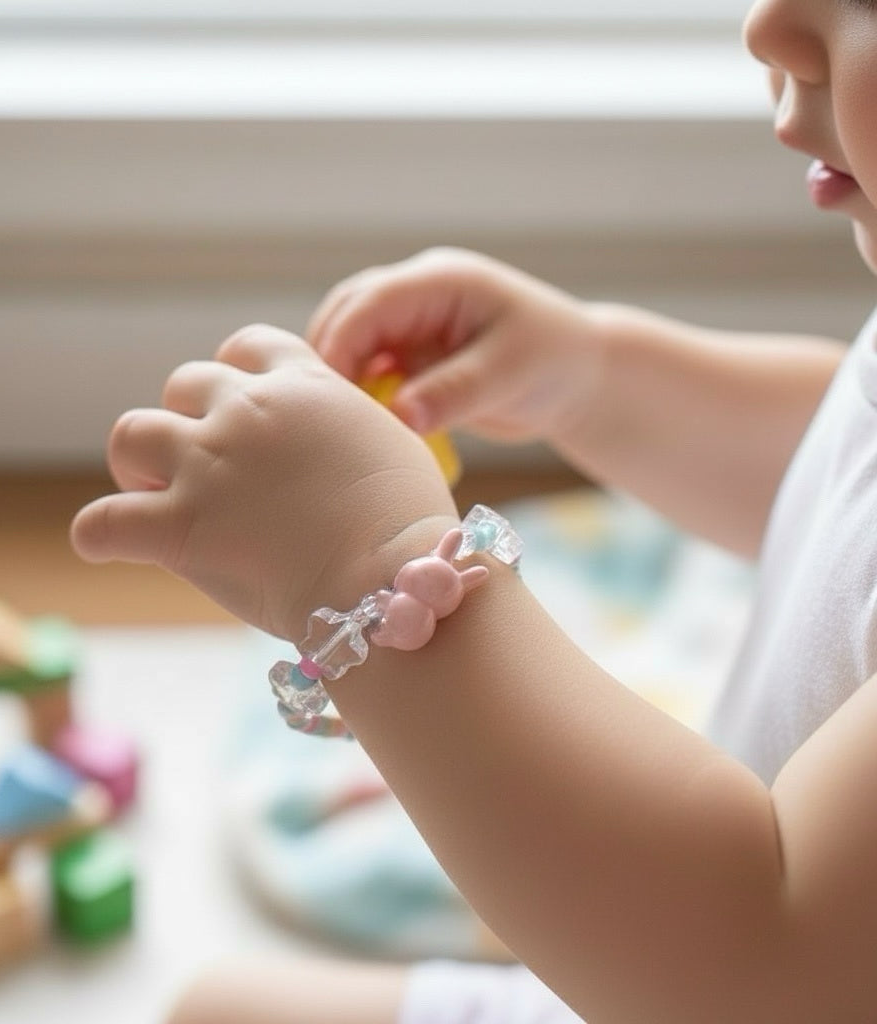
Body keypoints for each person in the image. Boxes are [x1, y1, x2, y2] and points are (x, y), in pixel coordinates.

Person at [70, 0, 877, 1019]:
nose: (770, 26)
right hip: (671, 946)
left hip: (703, 964)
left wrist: (367, 562)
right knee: (211, 1008)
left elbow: (764, 959)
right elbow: (839, 471)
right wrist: (592, 373)